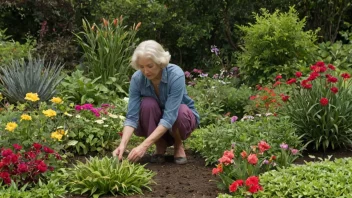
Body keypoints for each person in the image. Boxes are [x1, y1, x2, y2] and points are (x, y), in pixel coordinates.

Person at [112, 40, 200, 165]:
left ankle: (178, 145)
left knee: (180, 111)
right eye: (141, 67)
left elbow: (170, 117)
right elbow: (132, 117)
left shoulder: (176, 75)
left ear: (160, 62)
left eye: (150, 66)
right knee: (147, 104)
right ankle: (160, 145)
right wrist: (122, 145)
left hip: (180, 121)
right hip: (155, 123)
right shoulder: (137, 79)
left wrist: (143, 146)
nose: (146, 71)